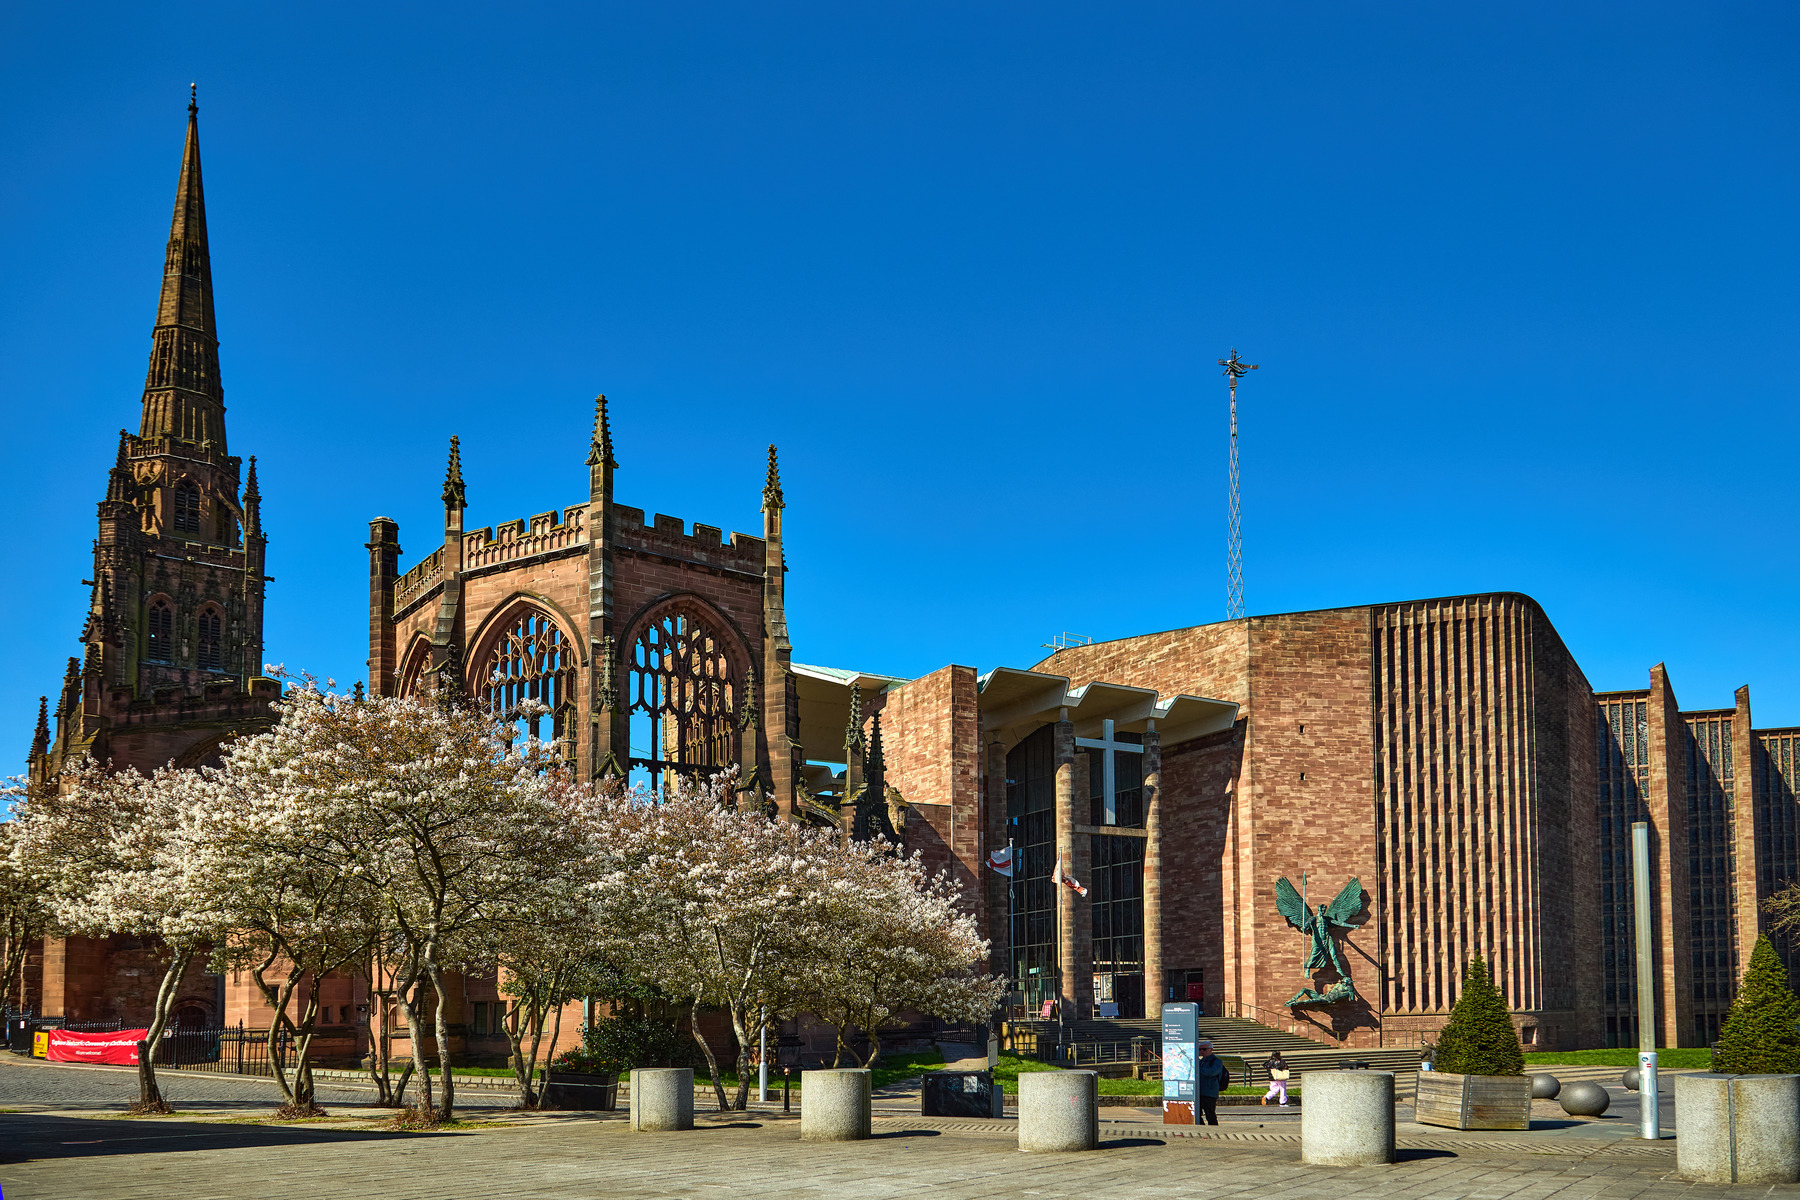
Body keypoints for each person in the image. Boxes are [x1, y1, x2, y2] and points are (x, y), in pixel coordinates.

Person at [1194, 1038, 1229, 1125]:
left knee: (1210, 1114)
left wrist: (1197, 1069)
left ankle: (1214, 1130)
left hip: (1210, 1092)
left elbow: (1212, 1072)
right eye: (1199, 1049)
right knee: (1196, 1114)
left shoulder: (1216, 1061)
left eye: (1204, 1049)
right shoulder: (1200, 1061)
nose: (1201, 1051)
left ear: (1211, 1050)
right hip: (1199, 1092)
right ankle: (1202, 1128)